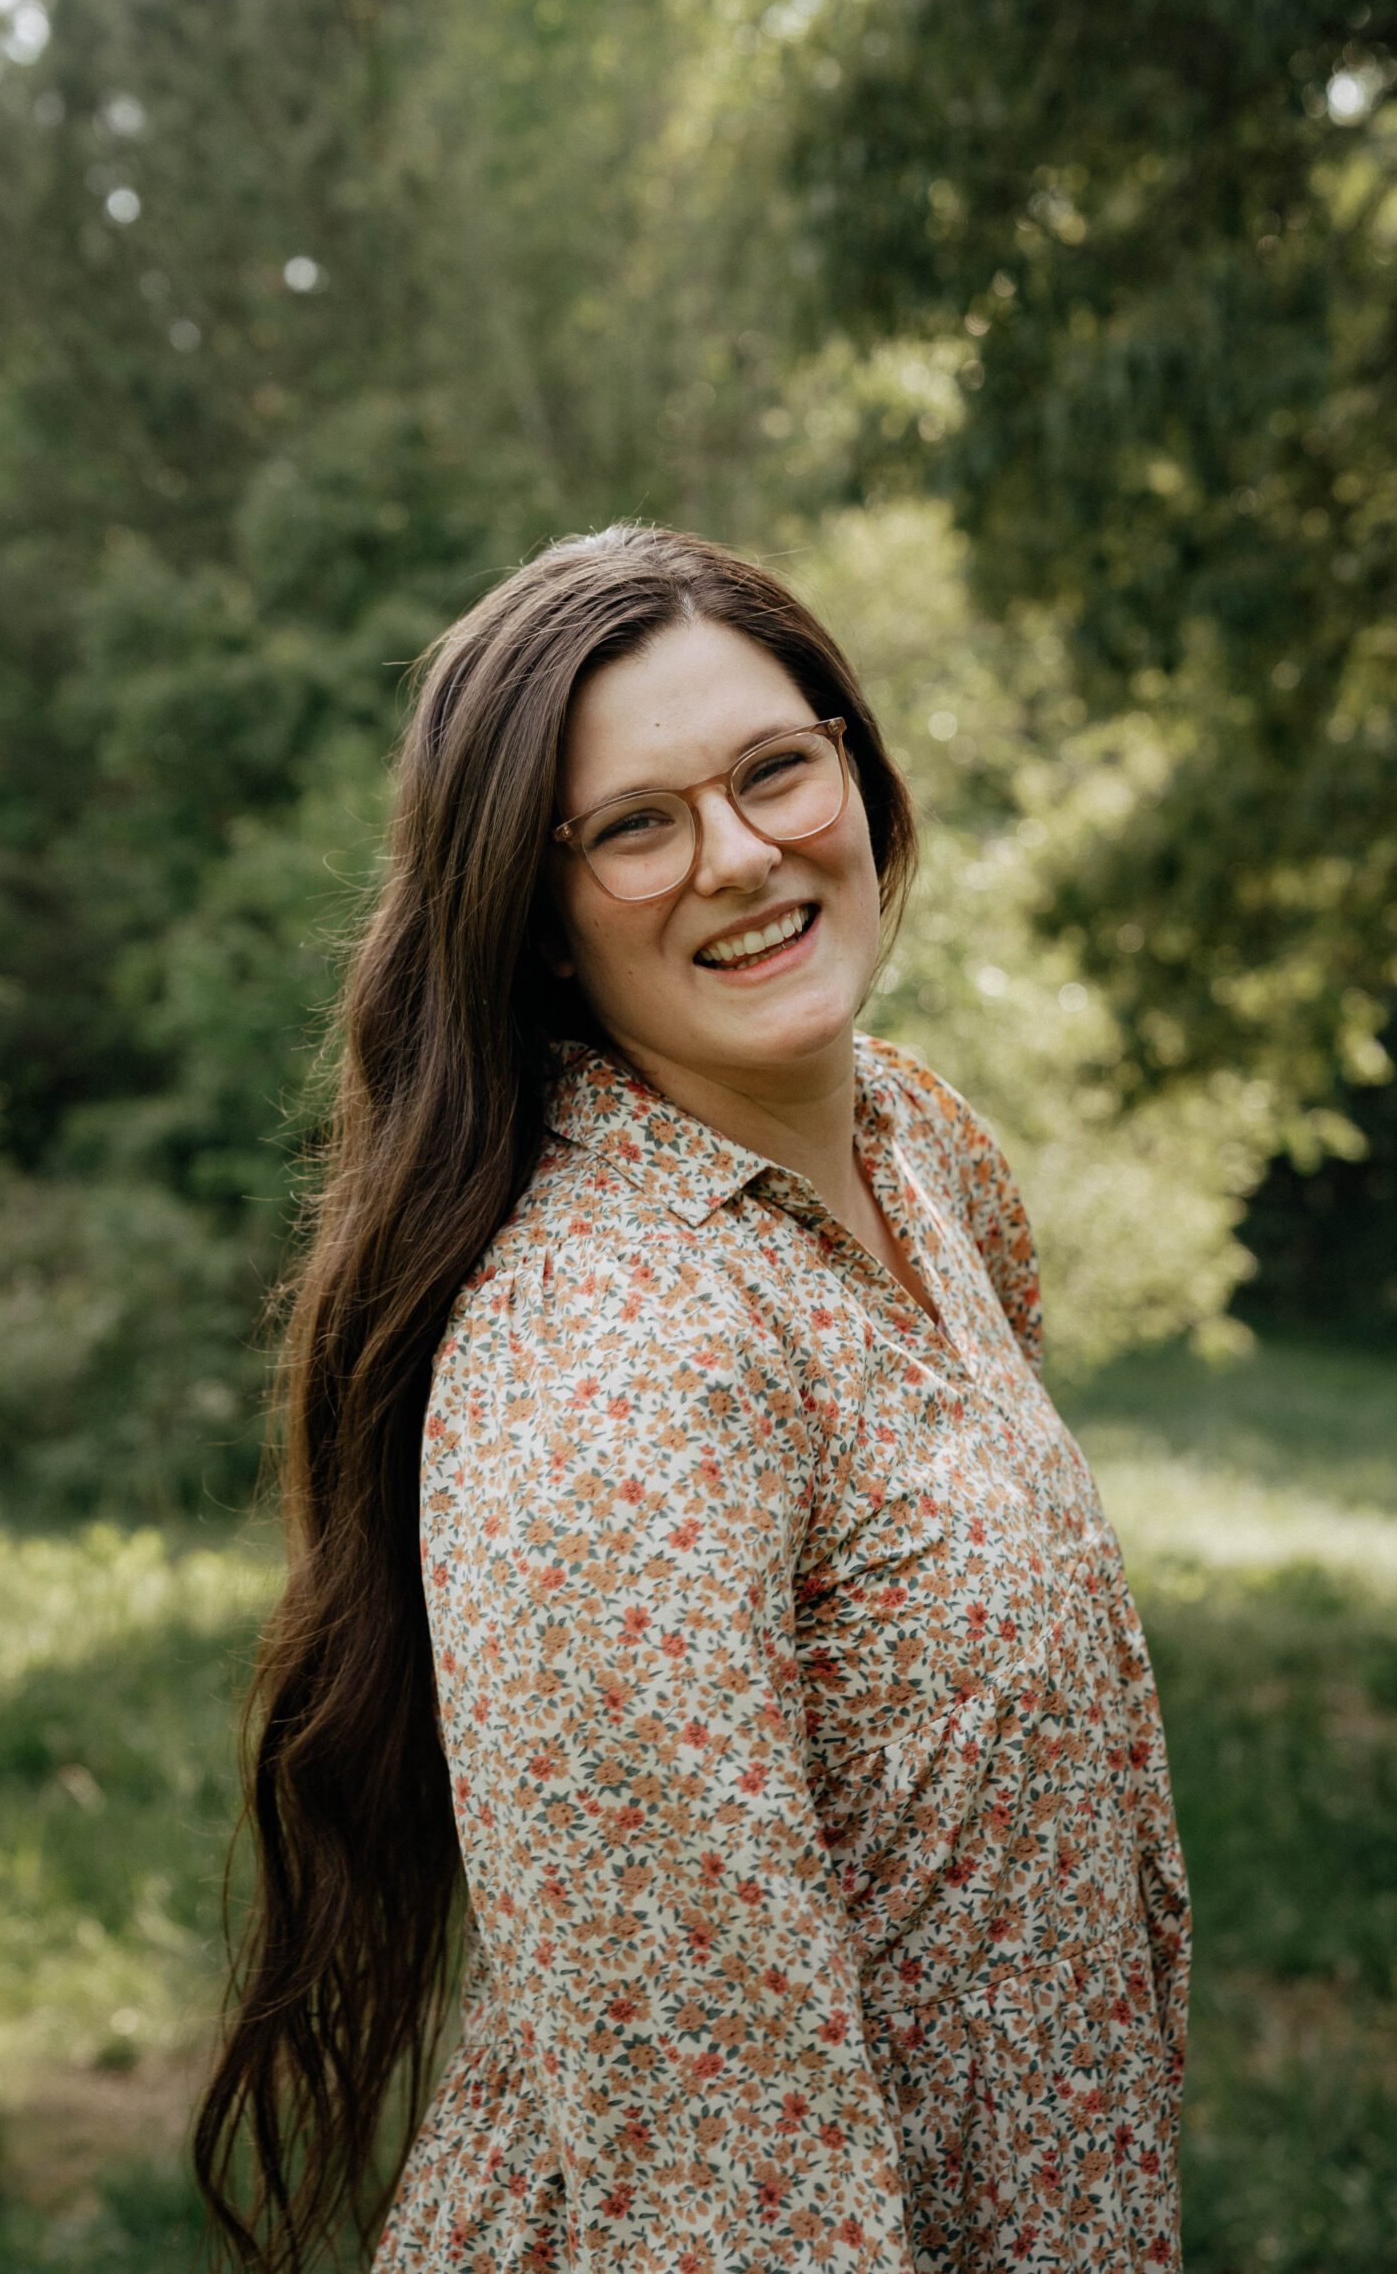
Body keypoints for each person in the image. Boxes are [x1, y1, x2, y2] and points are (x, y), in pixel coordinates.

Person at [195, 525, 1190, 2273]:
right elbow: (720, 2157)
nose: (741, 855)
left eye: (775, 771)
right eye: (639, 825)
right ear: (541, 920)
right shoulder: (614, 1359)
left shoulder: (920, 1146)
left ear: (861, 782)